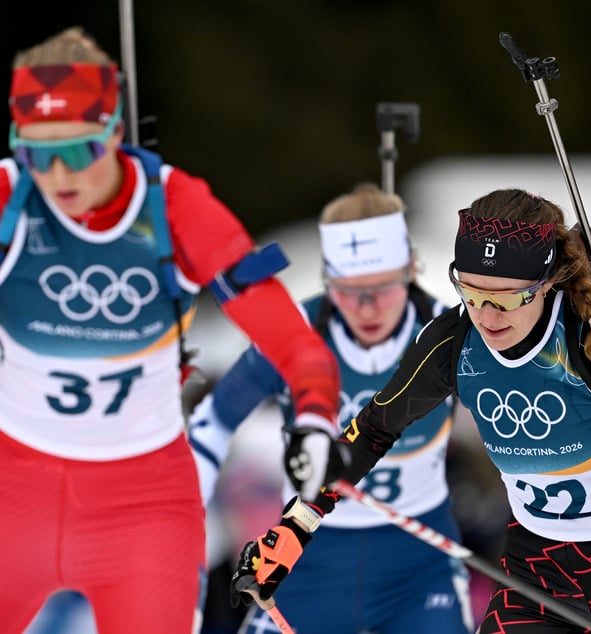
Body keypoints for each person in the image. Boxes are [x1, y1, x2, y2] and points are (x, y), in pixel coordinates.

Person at [231, 188, 591, 633]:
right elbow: (373, 431)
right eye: (471, 292)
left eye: (506, 298)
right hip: (539, 569)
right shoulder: (453, 344)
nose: (486, 315)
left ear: (547, 283)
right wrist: (298, 526)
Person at [0, 27, 339, 633]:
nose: (56, 174)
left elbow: (289, 338)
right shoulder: (9, 201)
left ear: (114, 132)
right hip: (12, 494)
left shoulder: (173, 206)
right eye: (35, 154)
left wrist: (314, 417)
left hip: (141, 507)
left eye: (77, 150)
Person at [190, 183, 473, 633]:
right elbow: (213, 421)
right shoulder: (296, 332)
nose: (367, 307)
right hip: (304, 560)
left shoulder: (449, 334)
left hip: (416, 565)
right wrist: (179, 517)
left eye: (383, 287)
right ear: (328, 281)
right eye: (347, 289)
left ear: (410, 269)